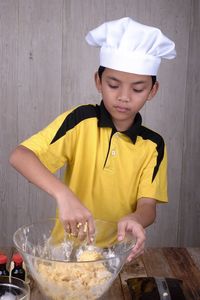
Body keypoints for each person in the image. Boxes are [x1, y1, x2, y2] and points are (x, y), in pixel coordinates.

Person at [9, 17, 176, 261]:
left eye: (137, 89)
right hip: (64, 253)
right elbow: (20, 156)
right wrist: (63, 194)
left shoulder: (153, 145)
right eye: (113, 84)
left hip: (118, 256)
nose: (124, 97)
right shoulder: (81, 121)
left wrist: (135, 219)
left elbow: (148, 206)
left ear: (153, 90)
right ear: (98, 81)